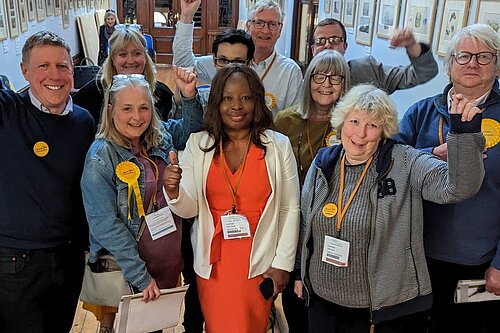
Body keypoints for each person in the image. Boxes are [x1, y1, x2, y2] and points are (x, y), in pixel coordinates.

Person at [295, 84, 486, 332]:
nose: (360, 134)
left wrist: (464, 132)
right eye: (354, 121)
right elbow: (304, 220)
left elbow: (458, 188)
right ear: (341, 122)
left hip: (378, 309)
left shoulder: (405, 162)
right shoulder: (324, 162)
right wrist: (300, 272)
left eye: (372, 126)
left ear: (383, 131)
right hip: (321, 300)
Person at [163, 64, 300, 332]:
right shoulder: (198, 144)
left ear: (257, 101)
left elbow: (290, 208)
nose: (236, 106)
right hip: (215, 262)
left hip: (260, 259)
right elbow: (189, 209)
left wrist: (283, 264)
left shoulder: (278, 146)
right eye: (227, 98)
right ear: (216, 102)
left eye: (245, 97)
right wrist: (174, 191)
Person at [395, 23, 500, 333]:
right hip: (415, 255)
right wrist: (431, 154)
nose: (472, 63)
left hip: (477, 262)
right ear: (449, 65)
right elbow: (392, 166)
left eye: (484, 56)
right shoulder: (421, 113)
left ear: (496, 65)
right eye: (463, 55)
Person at [80, 73, 202, 333]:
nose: (137, 117)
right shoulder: (101, 158)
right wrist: (140, 276)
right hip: (133, 273)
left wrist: (190, 96)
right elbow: (105, 225)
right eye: (127, 109)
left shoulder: (160, 137)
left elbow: (193, 128)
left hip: (166, 264)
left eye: (143, 107)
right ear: (111, 110)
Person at [0, 31, 95, 333]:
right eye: (43, 66)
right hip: (16, 261)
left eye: (62, 66)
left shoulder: (84, 121)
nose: (54, 75)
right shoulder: (7, 113)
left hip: (68, 258)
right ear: (24, 71)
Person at [274, 49, 350, 333]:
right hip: (292, 222)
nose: (327, 84)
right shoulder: (285, 120)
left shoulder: (350, 124)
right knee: (295, 300)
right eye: (320, 75)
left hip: (334, 225)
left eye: (335, 78)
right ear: (308, 79)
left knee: (326, 308)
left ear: (345, 83)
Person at [173, 0, 303, 115]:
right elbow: (183, 64)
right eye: (259, 23)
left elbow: (292, 118)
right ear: (248, 26)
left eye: (273, 24)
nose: (265, 30)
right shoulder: (224, 62)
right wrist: (187, 16)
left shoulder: (290, 71)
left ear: (280, 30)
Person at [74, 26, 174, 129]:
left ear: (145, 56)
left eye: (137, 53)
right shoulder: (92, 93)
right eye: (123, 54)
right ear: (113, 59)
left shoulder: (162, 93)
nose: (130, 60)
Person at [311, 18, 438, 94]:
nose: (327, 45)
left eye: (334, 40)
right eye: (320, 41)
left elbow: (425, 73)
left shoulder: (367, 70)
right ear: (313, 49)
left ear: (345, 46)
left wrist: (412, 46)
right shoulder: (306, 83)